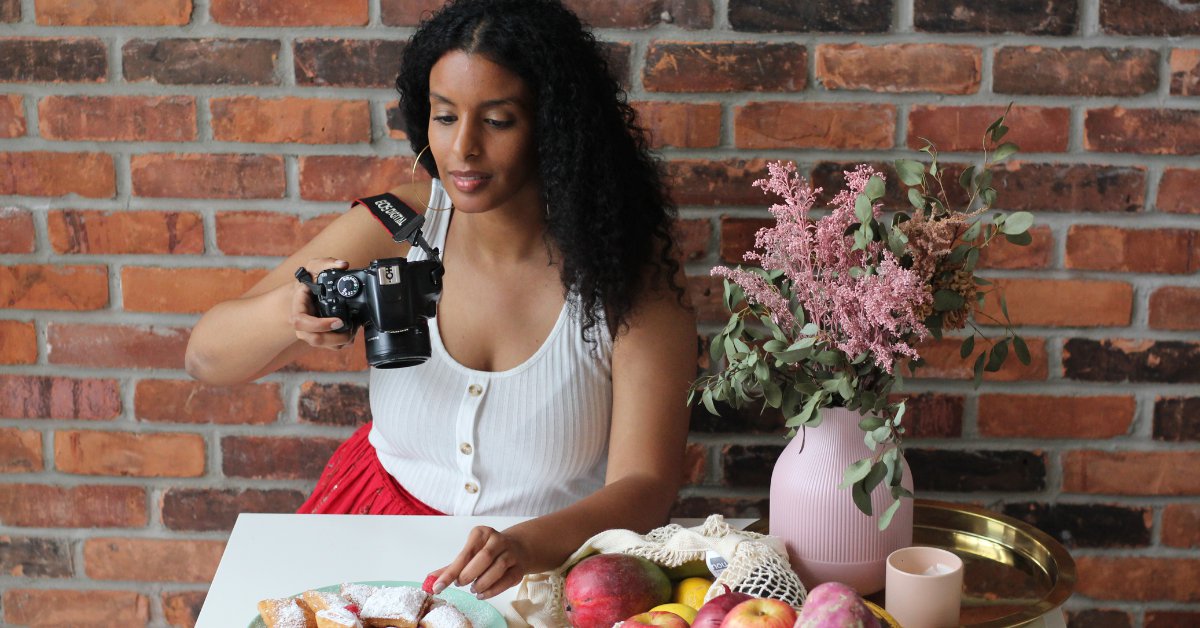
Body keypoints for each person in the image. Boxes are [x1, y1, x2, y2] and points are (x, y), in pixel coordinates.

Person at [184, 0, 696, 602]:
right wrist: (288, 312)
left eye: (499, 121)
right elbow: (205, 359)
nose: (463, 149)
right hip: (368, 528)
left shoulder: (629, 277)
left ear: (554, 125)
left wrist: (529, 544)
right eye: (445, 117)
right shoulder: (396, 224)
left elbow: (646, 483)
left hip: (545, 566)